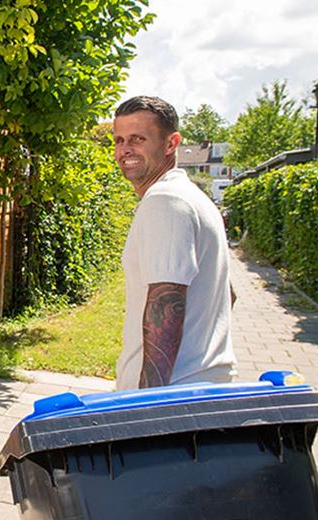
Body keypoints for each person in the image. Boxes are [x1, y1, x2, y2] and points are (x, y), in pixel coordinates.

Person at [112, 96, 236, 390]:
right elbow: (228, 295)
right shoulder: (193, 198)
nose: (124, 150)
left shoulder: (165, 201)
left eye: (138, 139)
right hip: (198, 387)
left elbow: (165, 303)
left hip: (172, 395)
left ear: (171, 144)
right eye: (118, 140)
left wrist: (148, 406)